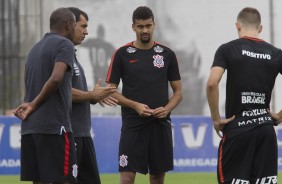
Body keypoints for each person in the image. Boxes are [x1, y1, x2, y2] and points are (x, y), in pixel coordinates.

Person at [106, 6, 183, 184]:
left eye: (148, 25)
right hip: (133, 125)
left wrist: (167, 109)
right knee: (126, 177)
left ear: (154, 25)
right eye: (140, 27)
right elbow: (111, 90)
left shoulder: (167, 54)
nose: (145, 30)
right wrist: (135, 106)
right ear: (133, 27)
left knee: (157, 177)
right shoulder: (121, 54)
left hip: (160, 124)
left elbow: (178, 92)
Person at [206, 7, 282, 184]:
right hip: (265, 131)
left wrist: (216, 119)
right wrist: (279, 115)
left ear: (237, 26)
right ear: (260, 28)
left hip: (237, 130)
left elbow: (211, 83)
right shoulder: (276, 54)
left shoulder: (227, 49)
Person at [14, 8, 77, 184]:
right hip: (55, 127)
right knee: (65, 180)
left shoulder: (34, 49)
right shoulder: (65, 44)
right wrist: (33, 104)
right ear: (68, 24)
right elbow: (56, 78)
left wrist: (31, 106)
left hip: (31, 129)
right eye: (75, 25)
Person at [67, 7, 117, 184]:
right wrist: (91, 95)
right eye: (83, 26)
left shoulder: (73, 56)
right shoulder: (60, 54)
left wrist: (94, 96)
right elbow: (63, 91)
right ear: (69, 25)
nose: (87, 32)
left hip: (83, 133)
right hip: (70, 134)